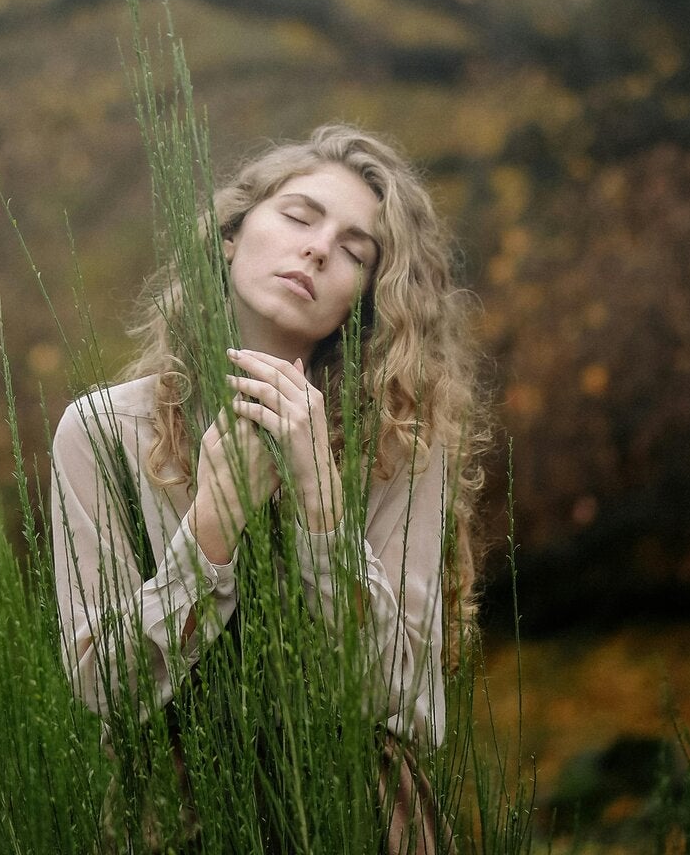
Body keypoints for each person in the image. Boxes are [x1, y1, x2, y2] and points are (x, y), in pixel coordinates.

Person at [48, 123, 487, 852]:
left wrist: (321, 508)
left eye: (355, 251)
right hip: (172, 817)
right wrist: (211, 529)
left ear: (365, 299)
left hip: (358, 818)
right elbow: (103, 690)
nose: (318, 248)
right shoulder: (101, 432)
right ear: (230, 234)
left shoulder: (401, 446)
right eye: (298, 216)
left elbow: (409, 701)